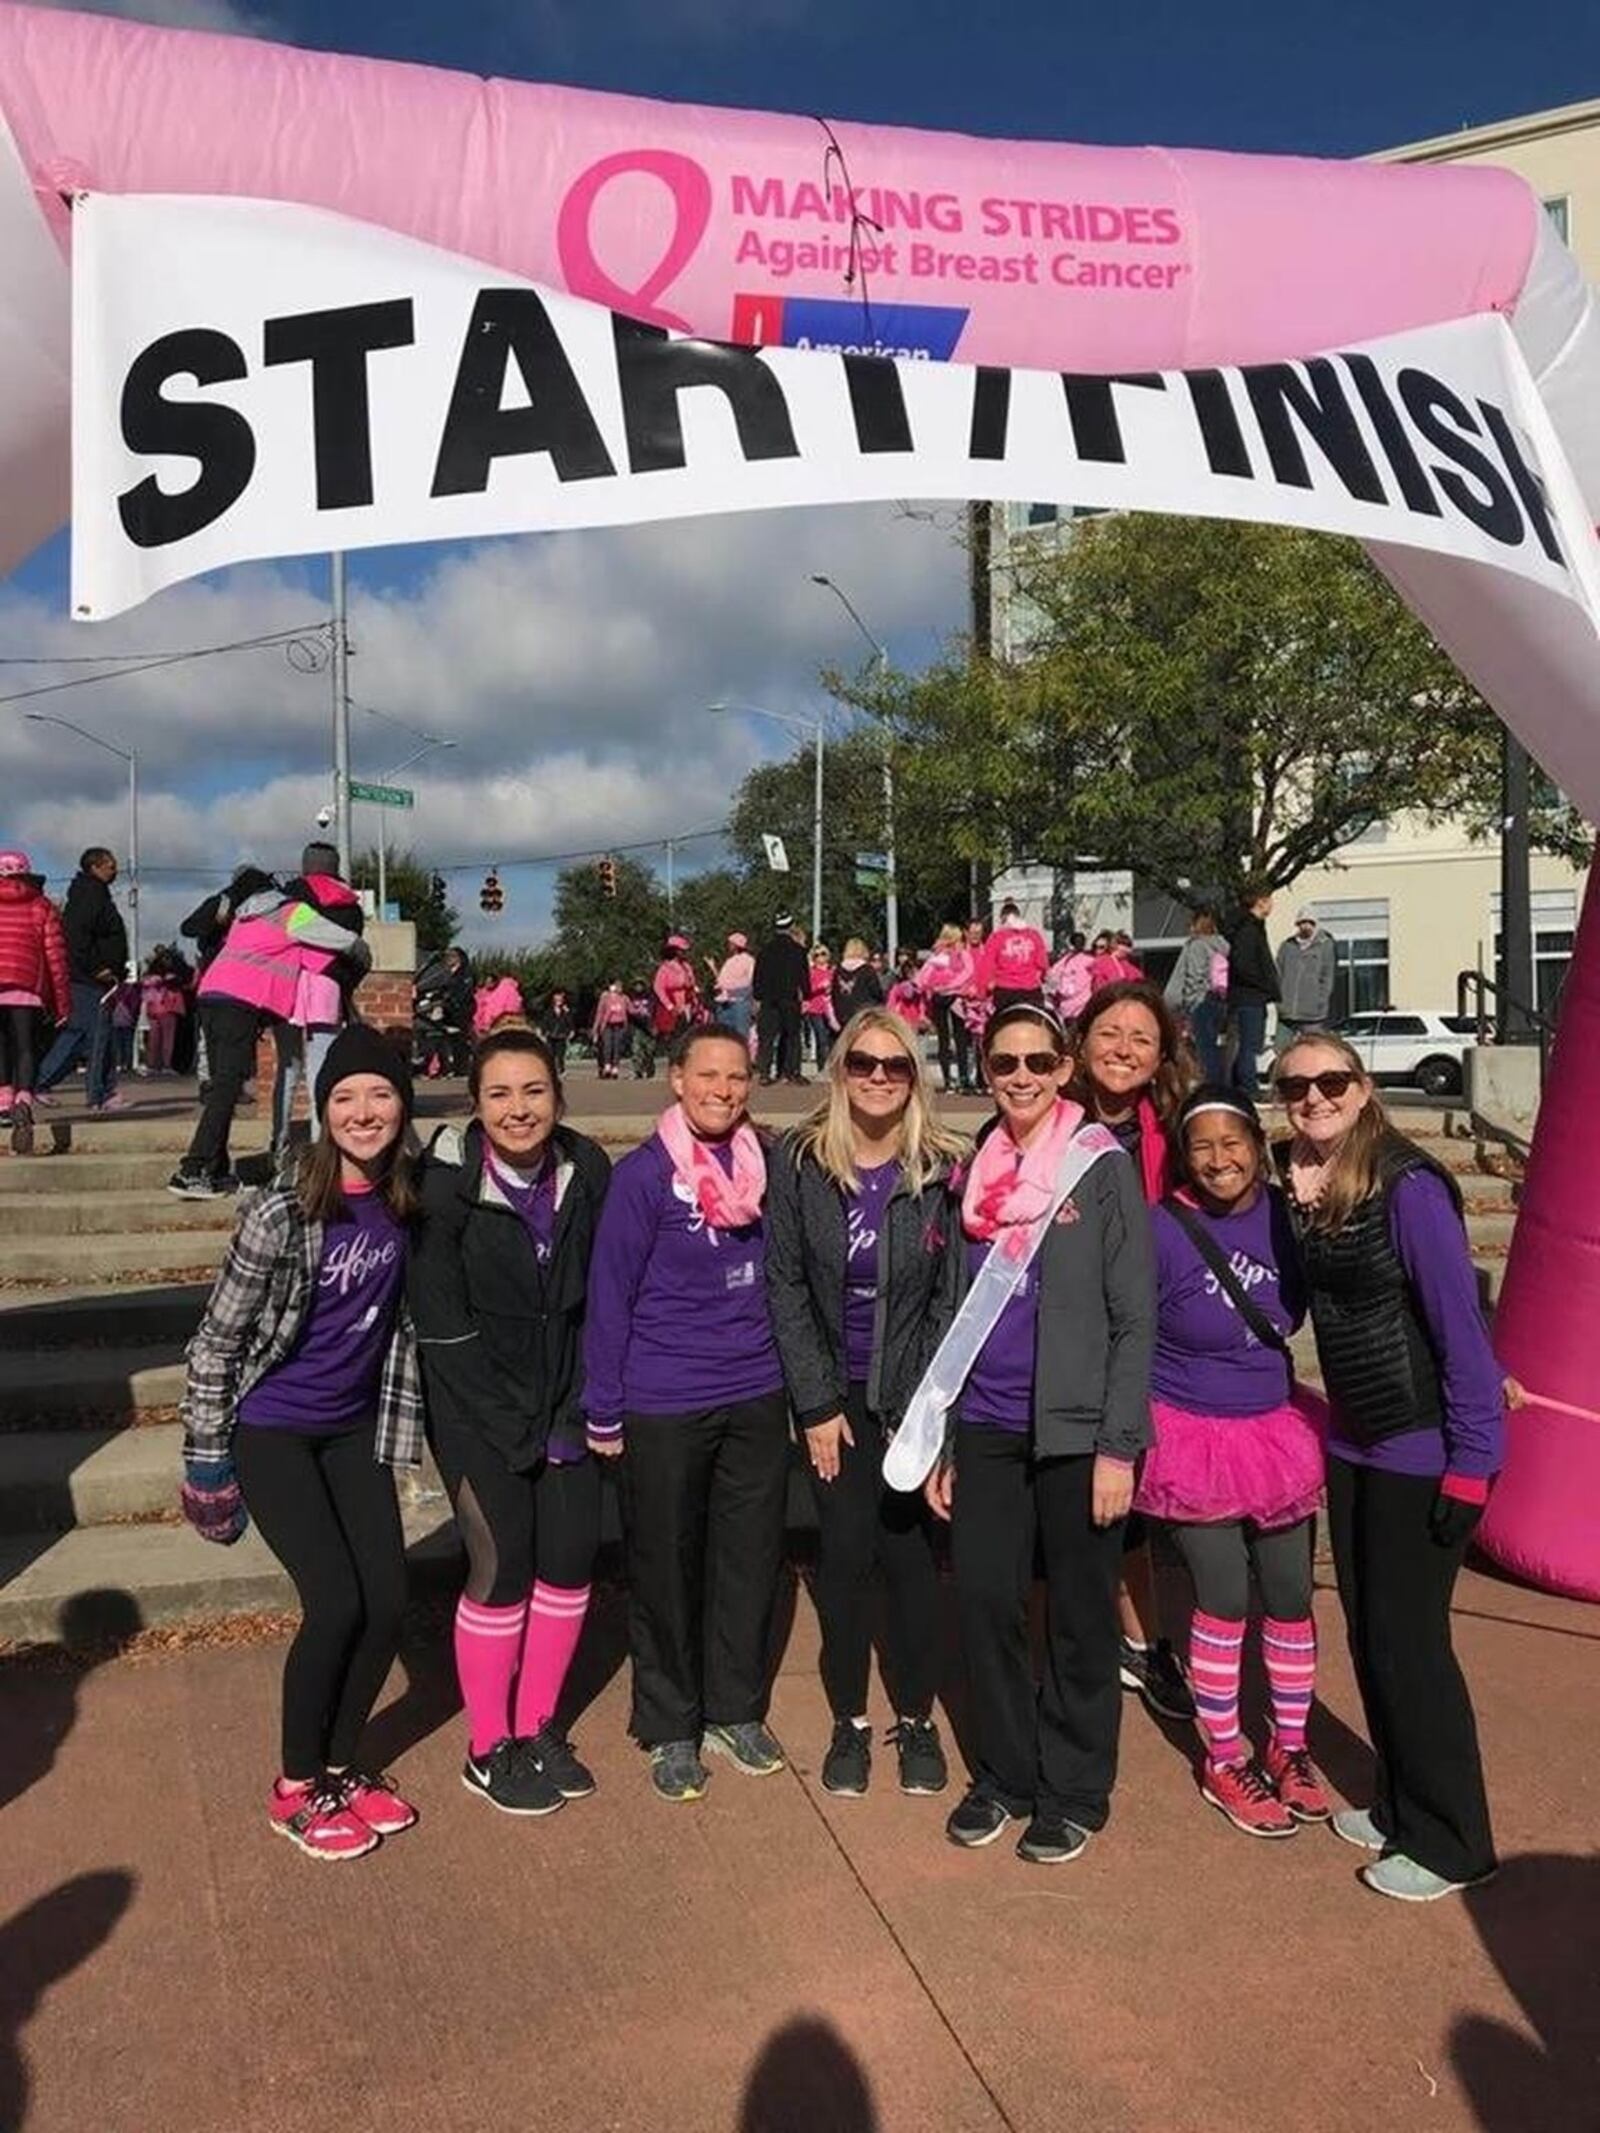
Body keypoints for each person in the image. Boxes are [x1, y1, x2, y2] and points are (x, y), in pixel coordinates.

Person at [178, 1027, 423, 1863]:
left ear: (403, 1106)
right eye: (345, 1097)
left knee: (388, 1599)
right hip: (274, 1429)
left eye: (380, 1095)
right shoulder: (282, 1210)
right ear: (323, 1112)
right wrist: (207, 1455)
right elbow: (215, 1341)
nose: (363, 1112)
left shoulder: (406, 1199)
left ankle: (343, 1762)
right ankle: (294, 1782)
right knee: (336, 1602)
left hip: (355, 1426)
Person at [924, 1003, 1156, 1863]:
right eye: (1004, 1062)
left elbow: (1136, 1317)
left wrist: (1118, 1445)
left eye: (1037, 1062)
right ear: (986, 1070)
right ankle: (1006, 1773)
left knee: (1080, 1615)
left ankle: (1074, 1789)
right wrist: (944, 1437)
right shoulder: (972, 1169)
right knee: (985, 1601)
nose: (1020, 1076)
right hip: (985, 1423)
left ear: (1065, 1069)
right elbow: (955, 1311)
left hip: (1076, 1431)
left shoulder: (1101, 1166)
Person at [1276, 1032, 1502, 1902]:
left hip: (1422, 1446)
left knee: (1414, 1647)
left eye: (1331, 1080)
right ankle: (1404, 1803)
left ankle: (1455, 1840)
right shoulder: (1312, 1184)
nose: (1314, 1096)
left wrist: (1472, 1464)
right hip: (1354, 1439)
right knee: (1371, 1633)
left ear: (1364, 1089)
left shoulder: (1408, 1188)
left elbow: (1458, 1326)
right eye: (1296, 1085)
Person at [583, 1027, 790, 1801]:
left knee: (748, 1557)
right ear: (676, 1080)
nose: (724, 1089)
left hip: (754, 1390)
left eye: (737, 1076)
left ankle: (734, 1707)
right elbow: (611, 1295)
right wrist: (603, 1407)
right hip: (663, 1396)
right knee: (666, 1563)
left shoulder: (766, 1163)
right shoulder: (643, 1177)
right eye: (708, 1074)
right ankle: (669, 1721)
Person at [410, 1027, 611, 1816]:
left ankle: (537, 1727)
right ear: (476, 1103)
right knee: (503, 1566)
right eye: (499, 1093)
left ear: (558, 1094)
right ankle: (487, 1744)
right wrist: (509, 1426)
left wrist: (579, 1403)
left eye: (533, 1090)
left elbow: (600, 1291)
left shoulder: (585, 1169)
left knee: (567, 1564)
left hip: (568, 1398)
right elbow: (442, 1325)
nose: (518, 1108)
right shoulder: (447, 1187)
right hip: (475, 1411)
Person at [765, 1008, 965, 1798]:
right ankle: (849, 1719)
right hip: (834, 1394)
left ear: (915, 1077)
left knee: (912, 1560)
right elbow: (783, 1281)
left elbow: (953, 1298)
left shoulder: (943, 1166)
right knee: (844, 1559)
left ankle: (915, 1714)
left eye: (896, 1065)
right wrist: (815, 1402)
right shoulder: (802, 1160)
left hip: (912, 1391)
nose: (879, 1076)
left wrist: (924, 1410)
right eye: (863, 1063)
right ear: (840, 1069)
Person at [1136, 1085, 1329, 1838]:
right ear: (1184, 1155)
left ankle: (1291, 1745)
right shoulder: (1163, 1228)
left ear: (1258, 1142)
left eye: (1233, 1141)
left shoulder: (1288, 1218)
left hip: (1275, 1424)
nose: (1220, 1159)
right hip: (1190, 1429)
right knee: (1221, 1591)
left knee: (1288, 1592)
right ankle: (1224, 1753)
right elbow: (1131, 1327)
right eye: (1202, 1145)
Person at [1069, 979, 1198, 1724]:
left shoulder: (1174, 1131)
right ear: (1082, 1041)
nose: (1122, 1048)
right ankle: (1070, 1645)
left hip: (1144, 1332)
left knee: (1133, 1505)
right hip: (1056, 1334)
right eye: (1109, 1032)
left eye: (1140, 1039)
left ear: (1159, 1057)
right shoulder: (1045, 1114)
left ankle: (1147, 1642)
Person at [169, 866, 365, 1200]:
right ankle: (192, 1169)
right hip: (239, 1004)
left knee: (221, 1087)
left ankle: (216, 1170)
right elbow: (339, 938)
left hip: (211, 996)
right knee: (227, 1089)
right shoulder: (291, 912)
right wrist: (363, 952)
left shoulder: (245, 917)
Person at [271, 843, 370, 1163]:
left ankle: (279, 1141)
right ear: (335, 866)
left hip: (288, 981)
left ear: (305, 865)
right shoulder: (349, 903)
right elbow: (352, 949)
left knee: (287, 1066)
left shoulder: (288, 896)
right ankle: (319, 1143)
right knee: (321, 1068)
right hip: (327, 985)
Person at [34, 847, 129, 1114]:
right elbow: (76, 937)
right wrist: (96, 967)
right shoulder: (90, 894)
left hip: (89, 978)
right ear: (95, 867)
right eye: (110, 865)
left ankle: (41, 1083)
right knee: (100, 1035)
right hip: (89, 979)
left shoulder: (93, 894)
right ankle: (100, 1095)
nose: (115, 870)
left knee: (76, 1034)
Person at [0, 849, 70, 1157]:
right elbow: (55, 957)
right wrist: (63, 1004)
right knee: (25, 1046)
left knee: (0, 1045)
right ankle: (23, 1101)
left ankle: (2, 1102)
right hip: (28, 988)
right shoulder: (41, 905)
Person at [1226, 882, 1280, 1098]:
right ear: (1261, 901)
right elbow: (1243, 964)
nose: (1272, 905)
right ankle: (1247, 1087)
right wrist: (1263, 984)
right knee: (1250, 1044)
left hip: (1251, 996)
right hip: (1249, 997)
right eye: (1270, 899)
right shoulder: (1249, 930)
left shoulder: (1252, 927)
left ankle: (1237, 1082)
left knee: (1250, 1043)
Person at [1164, 908, 1230, 1083]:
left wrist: (1189, 1004)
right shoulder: (1224, 945)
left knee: (1203, 1046)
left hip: (1200, 1002)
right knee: (1214, 1044)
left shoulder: (1197, 945)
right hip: (1220, 1000)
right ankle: (1218, 1079)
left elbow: (1194, 976)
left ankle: (1210, 1082)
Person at [920, 924, 977, 1095]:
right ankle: (962, 1078)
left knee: (944, 1039)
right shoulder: (960, 953)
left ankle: (948, 1080)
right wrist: (952, 985)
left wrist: (937, 987)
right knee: (959, 1038)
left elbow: (924, 976)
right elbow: (969, 971)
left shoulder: (936, 953)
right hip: (955, 997)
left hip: (940, 996)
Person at [754, 913, 810, 1085]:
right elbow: (803, 977)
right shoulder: (798, 951)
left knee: (767, 1038)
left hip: (769, 999)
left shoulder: (765, 950)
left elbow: (757, 977)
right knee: (792, 1036)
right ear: (790, 927)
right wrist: (806, 995)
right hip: (790, 998)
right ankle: (792, 1072)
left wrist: (758, 996)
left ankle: (764, 1072)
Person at [1276, 909, 1337, 1046]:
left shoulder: (1325, 945)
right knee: (1280, 1049)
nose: (1306, 926)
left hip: (1312, 1014)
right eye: (1302, 922)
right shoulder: (1287, 946)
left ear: (1315, 924)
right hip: (1286, 1012)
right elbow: (1278, 973)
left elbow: (1327, 977)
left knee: (1312, 1049)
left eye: (1309, 922)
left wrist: (1320, 1000)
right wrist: (1279, 1001)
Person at [977, 900, 1050, 1012]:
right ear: (1018, 916)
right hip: (1031, 991)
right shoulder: (1034, 935)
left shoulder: (996, 937)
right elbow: (1043, 963)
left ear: (1002, 918)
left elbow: (986, 967)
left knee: (993, 1026)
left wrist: (982, 994)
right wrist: (1044, 978)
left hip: (1005, 993)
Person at [414, 946, 474, 1079]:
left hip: (459, 1012)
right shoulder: (445, 973)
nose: (448, 958)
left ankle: (460, 1069)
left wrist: (448, 1000)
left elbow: (462, 993)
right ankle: (444, 1067)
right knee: (441, 1040)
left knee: (459, 1040)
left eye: (451, 956)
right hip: (446, 1012)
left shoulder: (465, 975)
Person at [140, 951, 188, 1078]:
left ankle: (152, 1065)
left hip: (152, 1010)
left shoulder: (148, 978)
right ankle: (166, 1065)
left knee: (153, 1039)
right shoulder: (171, 977)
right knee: (168, 1039)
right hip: (167, 1008)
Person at [652, 935, 699, 1047]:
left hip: (688, 1006)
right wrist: (669, 1006)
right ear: (674, 951)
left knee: (689, 1037)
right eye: (681, 950)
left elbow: (692, 982)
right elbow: (658, 988)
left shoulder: (687, 967)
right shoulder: (665, 968)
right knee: (675, 1038)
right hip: (673, 1007)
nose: (683, 953)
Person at [710, 932, 755, 1040]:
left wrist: (732, 990)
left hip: (739, 1003)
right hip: (723, 1003)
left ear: (736, 945)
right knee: (724, 1036)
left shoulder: (749, 960)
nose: (728, 946)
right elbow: (721, 981)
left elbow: (751, 982)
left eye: (730, 943)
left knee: (740, 1036)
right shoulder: (729, 961)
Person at [1045, 932, 1094, 1026]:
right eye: (1076, 942)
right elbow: (1052, 976)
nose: (1078, 944)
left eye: (1080, 942)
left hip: (1082, 1006)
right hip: (1066, 1007)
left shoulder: (1090, 961)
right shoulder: (1065, 960)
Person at [831, 937, 885, 1023]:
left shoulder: (838, 971)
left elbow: (834, 994)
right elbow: (876, 992)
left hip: (842, 1015)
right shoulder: (867, 970)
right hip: (863, 1015)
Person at [803, 945, 837, 1071]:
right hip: (815, 1009)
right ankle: (822, 1067)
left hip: (831, 1010)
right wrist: (820, 987)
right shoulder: (811, 972)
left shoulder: (833, 971)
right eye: (817, 955)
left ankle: (832, 1066)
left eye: (822, 954)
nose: (820, 957)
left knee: (832, 1038)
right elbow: (807, 989)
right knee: (821, 1037)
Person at [591, 979, 630, 1079]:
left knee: (617, 1047)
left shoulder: (624, 998)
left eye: (620, 986)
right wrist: (596, 1028)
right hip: (607, 1025)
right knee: (607, 1045)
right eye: (617, 986)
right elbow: (600, 1013)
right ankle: (607, 1066)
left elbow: (631, 1009)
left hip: (620, 1025)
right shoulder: (605, 997)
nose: (619, 988)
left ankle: (615, 1067)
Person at [884, 950, 927, 1034]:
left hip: (915, 1020)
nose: (916, 974)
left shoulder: (920, 987)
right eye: (913, 972)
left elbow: (923, 1004)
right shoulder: (902, 987)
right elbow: (907, 994)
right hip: (903, 1019)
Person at [474, 972, 524, 1036]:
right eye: (487, 982)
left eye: (490, 982)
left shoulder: (500, 992)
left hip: (494, 1024)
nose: (488, 984)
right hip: (493, 1023)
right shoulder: (484, 993)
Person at [541, 989, 574, 1074]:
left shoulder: (565, 1011)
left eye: (560, 999)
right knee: (551, 1054)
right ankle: (552, 1069)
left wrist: (571, 1031)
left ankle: (561, 1069)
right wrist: (544, 1032)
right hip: (551, 1034)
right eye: (557, 999)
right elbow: (545, 1021)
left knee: (561, 1054)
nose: (559, 1001)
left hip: (561, 1035)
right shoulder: (549, 1011)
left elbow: (569, 1022)